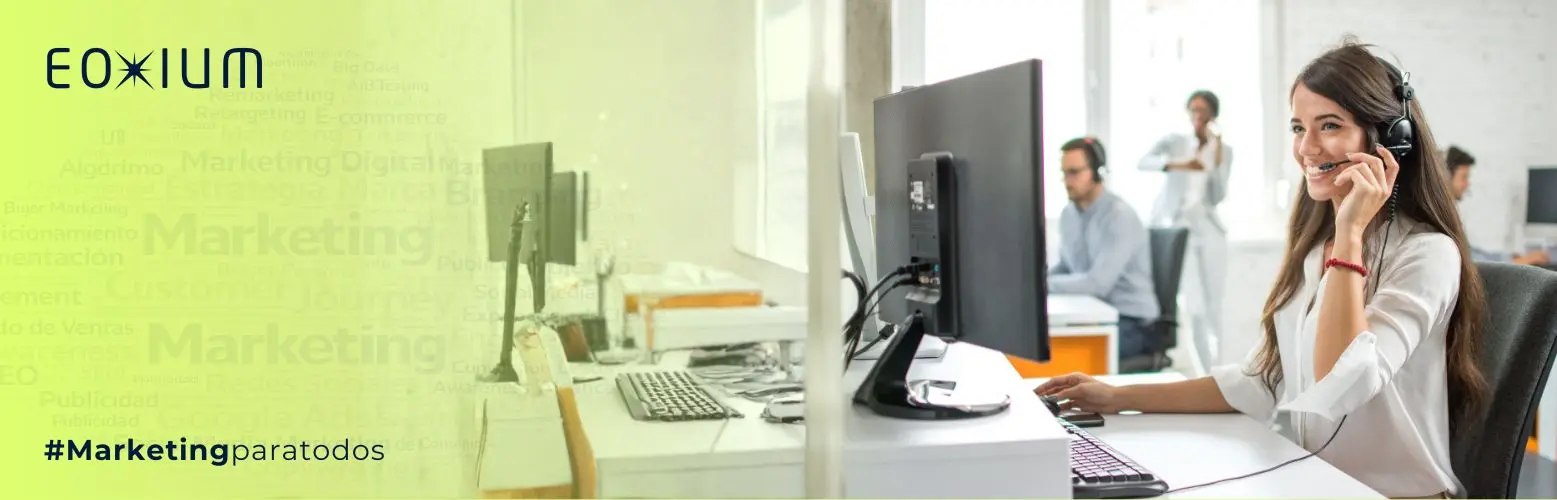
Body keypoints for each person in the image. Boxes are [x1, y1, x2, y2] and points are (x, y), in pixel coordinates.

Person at [1037, 40, 1488, 499]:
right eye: (1298, 127)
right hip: (1322, 485)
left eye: (1330, 125)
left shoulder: (1427, 255)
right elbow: (1259, 381)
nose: (1306, 148)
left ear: (1391, 140)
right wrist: (1117, 397)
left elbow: (1344, 384)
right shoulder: (1315, 253)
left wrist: (1350, 231)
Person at [1137, 90, 1231, 369]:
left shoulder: (1224, 150)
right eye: (1193, 109)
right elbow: (1143, 162)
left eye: (1203, 110)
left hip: (1209, 228)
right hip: (1178, 227)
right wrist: (1179, 164)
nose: (1197, 115)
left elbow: (1217, 196)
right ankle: (1202, 370)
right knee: (1194, 305)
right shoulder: (1175, 142)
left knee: (1214, 305)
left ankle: (1218, 370)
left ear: (1213, 115)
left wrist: (1216, 158)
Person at [1049, 137, 1159, 364]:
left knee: (1062, 355)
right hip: (1093, 314)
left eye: (1074, 172)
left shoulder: (1119, 216)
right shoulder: (1068, 215)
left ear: (1098, 172)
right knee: (1047, 342)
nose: (1067, 181)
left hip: (1132, 321)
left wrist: (1043, 286)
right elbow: (1066, 267)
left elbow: (1097, 284)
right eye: (1064, 173)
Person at [1443, 145, 1550, 265]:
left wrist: (1512, 259)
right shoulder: (1442, 218)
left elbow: (1474, 253)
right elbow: (1474, 263)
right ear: (1446, 178)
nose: (1467, 184)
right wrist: (1522, 261)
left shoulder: (1449, 214)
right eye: (1464, 177)